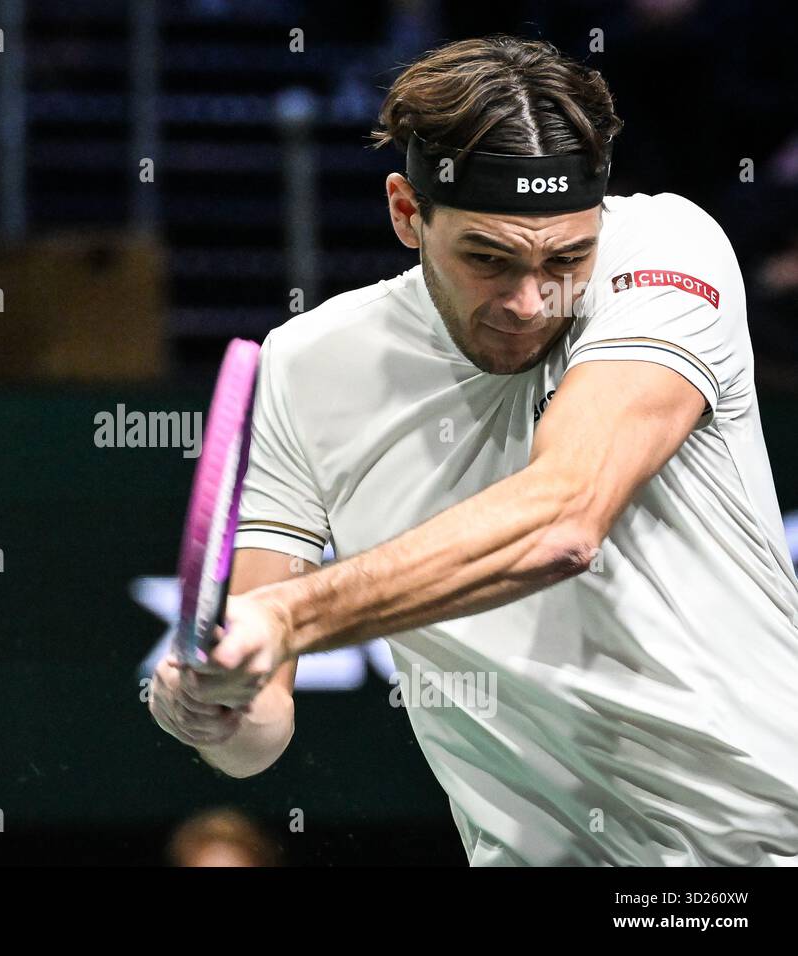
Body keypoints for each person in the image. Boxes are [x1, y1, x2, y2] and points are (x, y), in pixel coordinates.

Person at [149, 35, 798, 866]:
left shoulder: (667, 252)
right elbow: (260, 730)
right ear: (406, 212)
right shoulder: (305, 368)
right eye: (488, 260)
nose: (530, 302)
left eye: (566, 259)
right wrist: (217, 706)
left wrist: (287, 618)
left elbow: (563, 518)